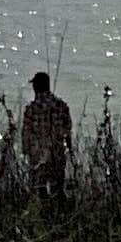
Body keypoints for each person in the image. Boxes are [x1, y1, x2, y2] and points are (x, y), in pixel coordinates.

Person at [21, 68, 72, 200]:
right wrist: (69, 149)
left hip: (38, 155)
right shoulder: (61, 105)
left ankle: (44, 214)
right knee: (58, 188)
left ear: (36, 87)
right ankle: (58, 213)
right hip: (57, 153)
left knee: (39, 188)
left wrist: (26, 152)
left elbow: (26, 134)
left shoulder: (31, 109)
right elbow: (67, 129)